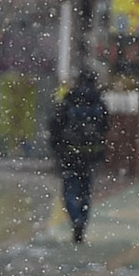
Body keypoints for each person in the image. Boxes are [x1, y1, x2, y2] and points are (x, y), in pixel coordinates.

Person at [47, 71, 111, 244]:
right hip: (91, 154)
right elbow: (106, 126)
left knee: (69, 189)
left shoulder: (68, 101)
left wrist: (57, 147)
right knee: (86, 190)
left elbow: (55, 126)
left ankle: (75, 218)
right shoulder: (98, 103)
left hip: (69, 153)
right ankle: (82, 221)